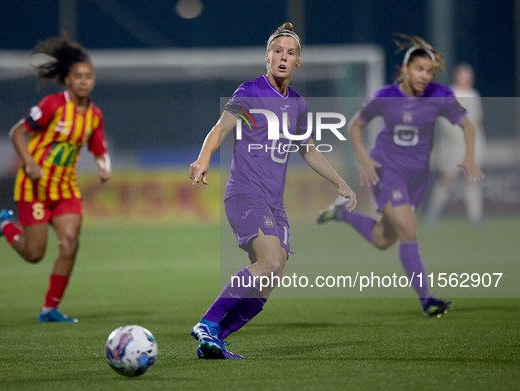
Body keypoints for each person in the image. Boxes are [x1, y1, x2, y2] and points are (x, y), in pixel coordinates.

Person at [188, 23, 356, 359]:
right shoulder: (250, 91)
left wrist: (340, 182)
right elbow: (221, 128)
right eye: (278, 51)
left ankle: (214, 339)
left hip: (274, 204)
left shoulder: (298, 105)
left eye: (290, 53)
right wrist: (204, 157)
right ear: (267, 58)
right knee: (268, 261)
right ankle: (207, 323)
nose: (283, 56)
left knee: (270, 275)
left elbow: (307, 149)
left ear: (298, 63)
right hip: (244, 193)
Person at [317, 35, 484, 317]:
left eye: (429, 71)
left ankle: (342, 214)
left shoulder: (440, 95)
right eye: (419, 69)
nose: (425, 76)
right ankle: (427, 300)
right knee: (408, 229)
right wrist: (363, 158)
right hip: (386, 171)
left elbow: (468, 126)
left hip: (417, 177)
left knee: (384, 239)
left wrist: (468, 156)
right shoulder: (385, 97)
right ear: (406, 69)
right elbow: (355, 126)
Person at [0, 33, 111, 323]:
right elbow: (17, 132)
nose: (83, 81)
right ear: (67, 80)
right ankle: (4, 225)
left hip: (66, 189)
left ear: (93, 81)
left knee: (69, 244)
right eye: (78, 76)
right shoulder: (53, 105)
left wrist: (105, 166)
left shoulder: (94, 115)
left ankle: (49, 309)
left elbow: (99, 148)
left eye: (88, 76)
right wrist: (28, 162)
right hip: (35, 189)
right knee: (34, 254)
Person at [425, 63, 486, 226]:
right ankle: (432, 215)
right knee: (448, 179)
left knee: (471, 179)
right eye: (463, 76)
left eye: (468, 76)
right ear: (456, 77)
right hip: (453, 146)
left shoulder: (474, 95)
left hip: (471, 146)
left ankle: (476, 217)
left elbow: (477, 121)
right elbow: (444, 121)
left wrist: (480, 142)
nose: (466, 79)